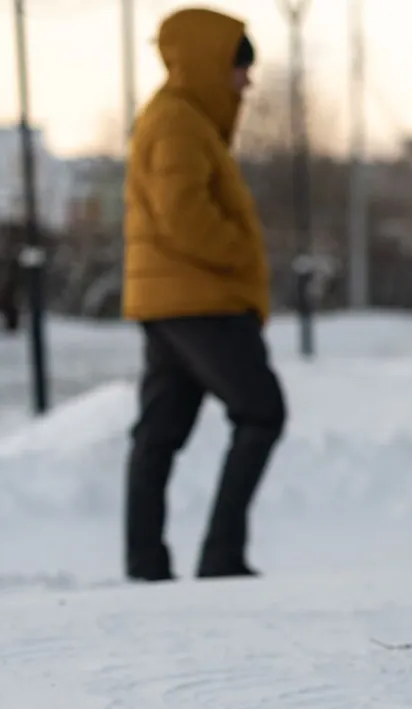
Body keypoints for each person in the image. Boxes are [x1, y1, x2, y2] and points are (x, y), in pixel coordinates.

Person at [121, 6, 282, 582]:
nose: (247, 82)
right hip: (199, 301)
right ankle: (219, 556)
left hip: (175, 302)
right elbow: (183, 215)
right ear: (212, 65)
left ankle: (147, 565)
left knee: (158, 436)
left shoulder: (182, 120)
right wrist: (241, 253)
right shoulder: (177, 123)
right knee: (262, 411)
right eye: (240, 69)